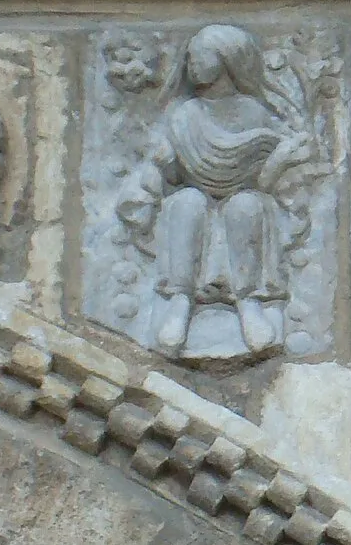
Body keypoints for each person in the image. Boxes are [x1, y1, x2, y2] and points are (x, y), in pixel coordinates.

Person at [123, 25, 312, 357]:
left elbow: (265, 182)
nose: (192, 64)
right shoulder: (185, 114)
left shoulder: (253, 113)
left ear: (227, 60)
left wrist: (281, 160)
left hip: (246, 201)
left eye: (201, 57)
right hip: (194, 201)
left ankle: (249, 301)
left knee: (246, 206)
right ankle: (180, 301)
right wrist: (163, 164)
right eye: (190, 57)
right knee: (186, 202)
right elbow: (173, 177)